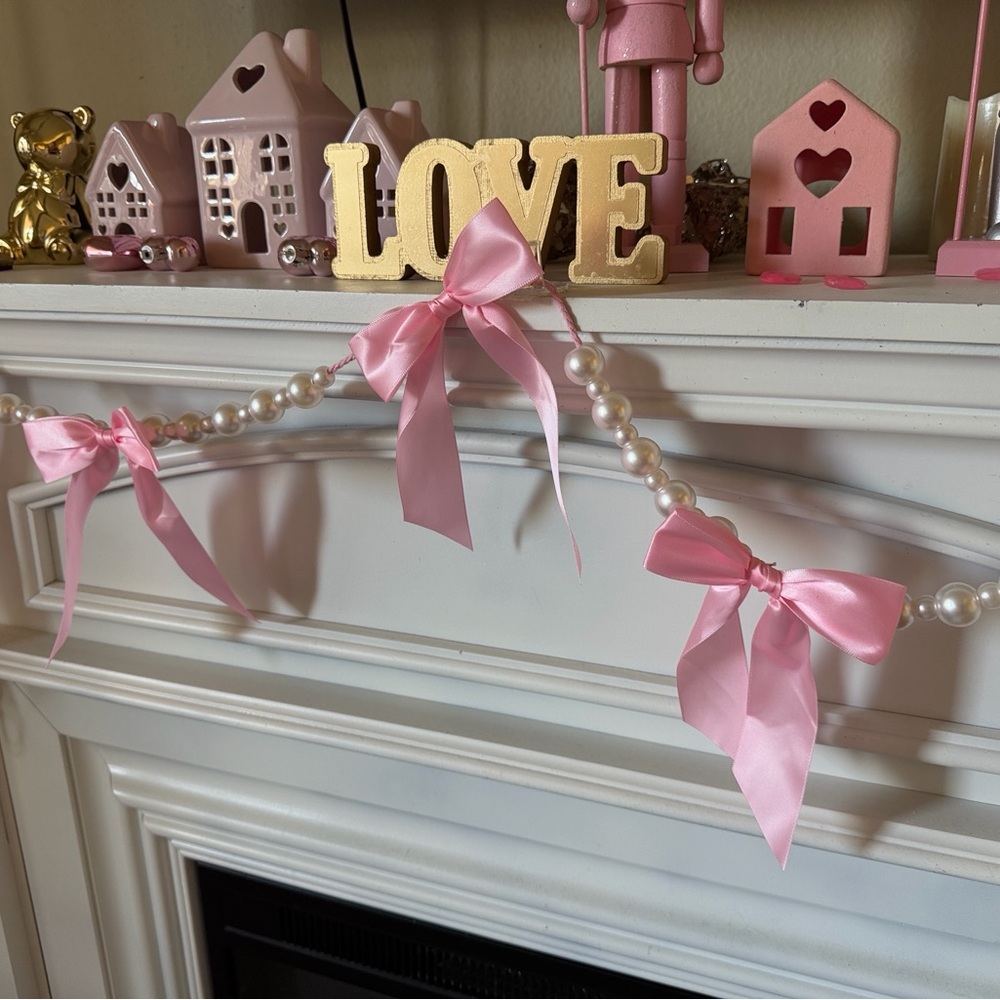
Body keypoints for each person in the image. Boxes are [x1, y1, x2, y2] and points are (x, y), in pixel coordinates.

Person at [567, 0, 724, 270]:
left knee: (668, 143)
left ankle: (666, 237)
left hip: (665, 31)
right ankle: (621, 233)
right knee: (621, 143)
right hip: (623, 33)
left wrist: (710, 45)